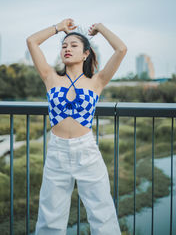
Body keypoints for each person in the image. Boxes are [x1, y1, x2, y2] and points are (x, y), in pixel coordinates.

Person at [26, 18, 127, 235]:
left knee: (103, 215)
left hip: (87, 151)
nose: (67, 49)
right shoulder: (50, 77)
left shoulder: (97, 81)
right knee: (49, 218)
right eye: (64, 46)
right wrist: (58, 28)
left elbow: (121, 49)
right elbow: (31, 42)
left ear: (86, 53)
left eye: (73, 46)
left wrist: (100, 28)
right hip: (57, 152)